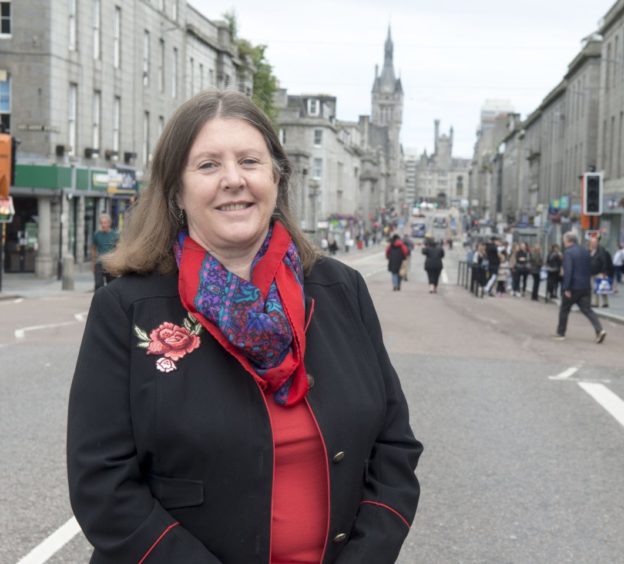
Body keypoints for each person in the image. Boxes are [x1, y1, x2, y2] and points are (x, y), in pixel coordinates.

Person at [66, 90, 422, 564]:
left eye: (250, 161)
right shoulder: (125, 307)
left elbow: (394, 446)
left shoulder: (342, 289)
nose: (233, 180)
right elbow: (101, 484)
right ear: (176, 190)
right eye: (208, 165)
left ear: (275, 177)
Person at [555, 232, 606, 343]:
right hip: (585, 286)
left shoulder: (568, 252)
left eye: (564, 240)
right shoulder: (585, 251)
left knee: (564, 309)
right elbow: (591, 267)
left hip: (573, 287)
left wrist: (567, 288)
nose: (563, 242)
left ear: (569, 240)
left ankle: (561, 333)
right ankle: (599, 330)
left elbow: (568, 271)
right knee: (587, 310)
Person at [91, 213, 120, 289]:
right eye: (102, 223)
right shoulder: (97, 235)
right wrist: (93, 264)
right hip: (99, 263)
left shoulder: (115, 235)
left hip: (110, 263)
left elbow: (118, 250)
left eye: (105, 223)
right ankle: (99, 299)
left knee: (111, 286)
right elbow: (93, 249)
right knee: (98, 284)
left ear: (109, 223)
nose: (103, 225)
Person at [589, 237, 613, 308]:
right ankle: (595, 303)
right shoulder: (590, 251)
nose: (593, 244)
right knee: (594, 288)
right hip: (592, 272)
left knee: (602, 288)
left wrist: (604, 272)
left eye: (594, 243)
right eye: (592, 243)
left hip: (600, 272)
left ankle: (605, 302)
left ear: (597, 243)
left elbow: (604, 262)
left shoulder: (601, 251)